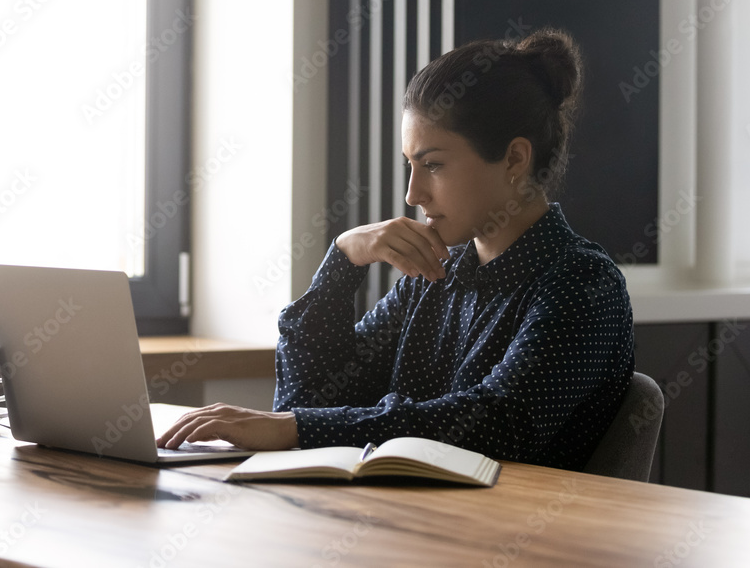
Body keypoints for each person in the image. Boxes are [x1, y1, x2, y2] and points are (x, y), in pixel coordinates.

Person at [158, 27, 635, 471]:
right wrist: (342, 261)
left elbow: (499, 425)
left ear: (514, 158)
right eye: (411, 164)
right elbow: (307, 403)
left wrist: (298, 428)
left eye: (433, 165)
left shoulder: (583, 284)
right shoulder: (433, 276)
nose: (413, 193)